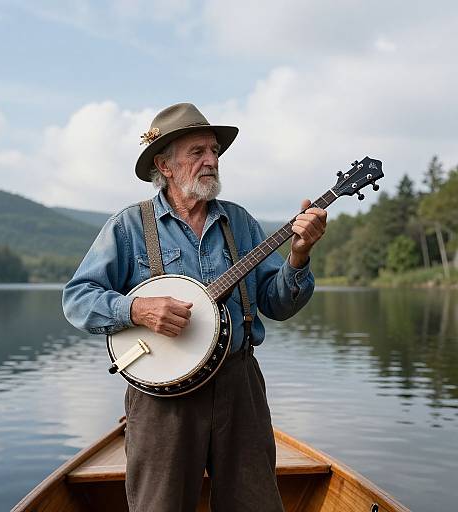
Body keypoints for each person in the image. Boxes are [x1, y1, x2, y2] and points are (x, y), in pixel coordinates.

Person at [62, 102, 327, 511]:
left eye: (214, 151)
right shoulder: (130, 226)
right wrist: (136, 311)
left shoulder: (239, 223)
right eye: (198, 153)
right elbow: (77, 299)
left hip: (240, 386)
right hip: (162, 400)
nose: (211, 161)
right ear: (165, 166)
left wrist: (299, 256)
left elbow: (276, 303)